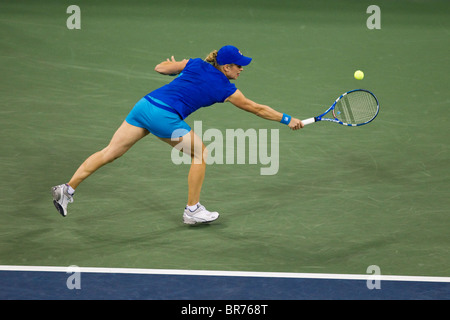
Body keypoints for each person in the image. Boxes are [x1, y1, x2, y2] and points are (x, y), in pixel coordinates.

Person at [52, 45, 304, 224]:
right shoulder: (226, 88)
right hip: (164, 116)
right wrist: (288, 119)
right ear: (226, 67)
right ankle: (192, 210)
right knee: (200, 153)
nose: (242, 69)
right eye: (239, 66)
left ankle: (67, 189)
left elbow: (160, 68)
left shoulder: (194, 64)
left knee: (109, 152)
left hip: (144, 106)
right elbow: (257, 109)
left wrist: (176, 68)